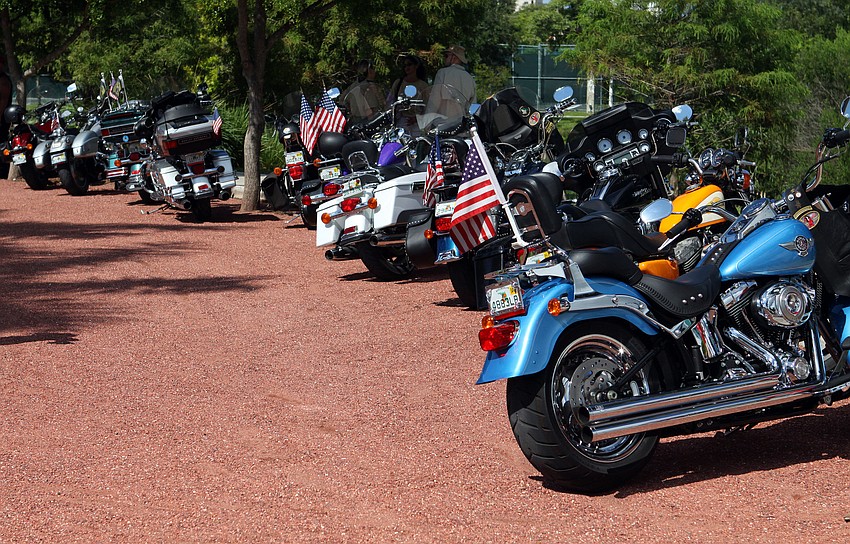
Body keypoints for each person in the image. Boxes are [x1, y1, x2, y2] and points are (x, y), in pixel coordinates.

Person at [422, 44, 476, 127]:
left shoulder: (442, 73)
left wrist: (425, 126)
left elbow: (433, 103)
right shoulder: (470, 78)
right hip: (461, 129)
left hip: (442, 128)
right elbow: (472, 108)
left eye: (446, 56)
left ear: (454, 57)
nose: (444, 58)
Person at [387, 54, 430, 134]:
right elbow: (390, 102)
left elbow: (428, 106)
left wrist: (417, 119)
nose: (407, 67)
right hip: (400, 123)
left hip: (418, 125)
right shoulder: (398, 83)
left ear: (416, 66)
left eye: (409, 64)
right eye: (404, 65)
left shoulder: (423, 85)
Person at [0, 57, 12, 179]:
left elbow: (3, 101)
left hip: (2, 120)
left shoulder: (3, 80)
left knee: (1, 144)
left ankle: (3, 171)